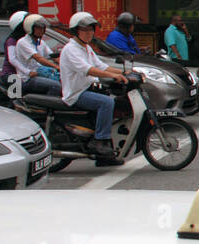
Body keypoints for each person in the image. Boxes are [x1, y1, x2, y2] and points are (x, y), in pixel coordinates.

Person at [60, 12, 131, 164]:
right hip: (76, 93)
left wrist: (126, 73)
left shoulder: (85, 48)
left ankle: (104, 156)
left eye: (91, 30)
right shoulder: (70, 49)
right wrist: (113, 76)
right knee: (106, 103)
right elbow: (88, 69)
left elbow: (101, 66)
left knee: (112, 100)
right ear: (75, 31)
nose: (89, 33)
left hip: (88, 88)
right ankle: (99, 142)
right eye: (85, 30)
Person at [11, 15, 62, 96]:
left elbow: (53, 56)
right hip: (28, 78)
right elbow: (38, 58)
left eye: (43, 28)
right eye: (38, 28)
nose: (41, 30)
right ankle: (48, 107)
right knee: (56, 86)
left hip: (41, 73)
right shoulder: (23, 42)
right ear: (30, 28)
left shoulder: (41, 43)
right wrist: (56, 67)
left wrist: (65, 64)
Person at [0, 10, 27, 83]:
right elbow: (12, 59)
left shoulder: (27, 39)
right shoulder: (12, 40)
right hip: (11, 75)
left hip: (22, 74)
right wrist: (28, 71)